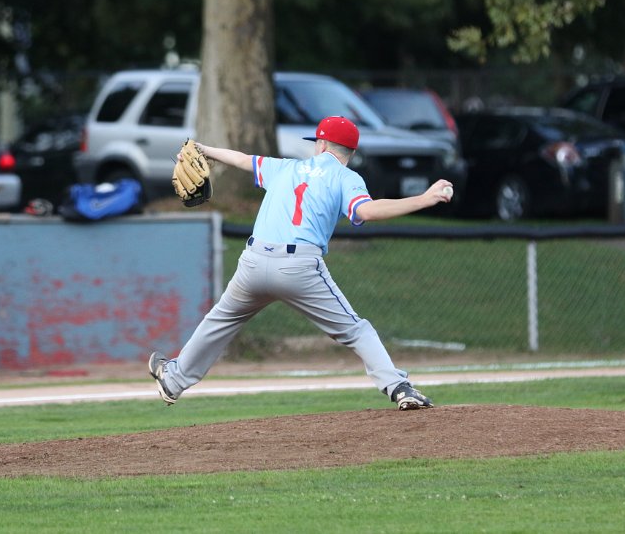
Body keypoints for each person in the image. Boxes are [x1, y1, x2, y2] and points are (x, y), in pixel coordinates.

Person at [149, 116, 454, 410]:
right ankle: (399, 388)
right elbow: (366, 212)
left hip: (253, 262)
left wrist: (203, 149)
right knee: (356, 330)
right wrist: (424, 198)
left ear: (322, 144)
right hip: (298, 267)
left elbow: (241, 159)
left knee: (220, 320)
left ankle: (173, 380)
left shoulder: (286, 167)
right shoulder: (346, 178)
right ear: (350, 152)